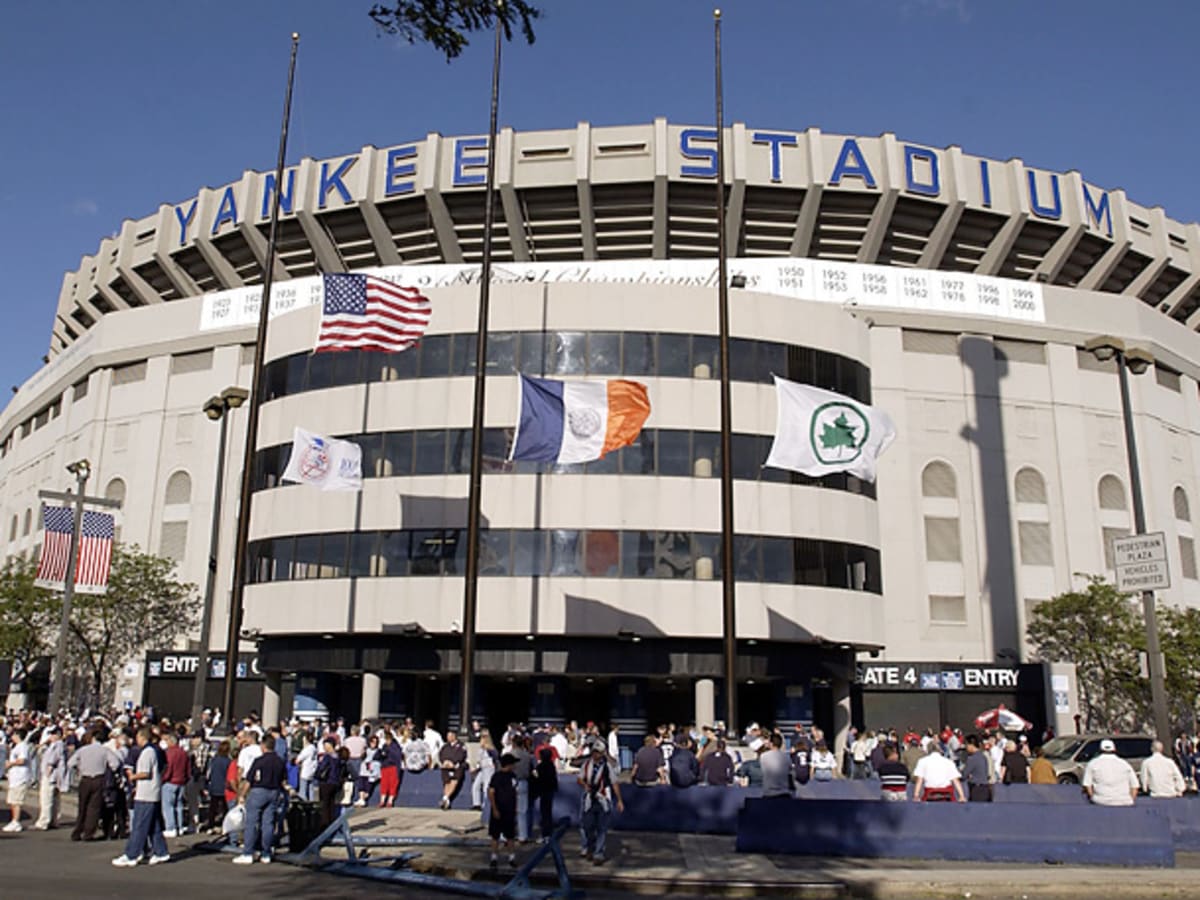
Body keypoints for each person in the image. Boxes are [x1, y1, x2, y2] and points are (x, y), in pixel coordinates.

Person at [112, 727, 170, 867]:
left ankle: (132, 854)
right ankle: (161, 851)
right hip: (153, 792)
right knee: (153, 825)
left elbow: (145, 773)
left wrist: (132, 777)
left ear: (142, 737)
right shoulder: (157, 751)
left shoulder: (147, 752)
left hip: (146, 794)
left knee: (139, 825)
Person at [234, 732, 288, 864]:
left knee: (252, 822)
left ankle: (248, 852)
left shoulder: (259, 761)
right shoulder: (280, 762)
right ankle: (266, 853)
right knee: (268, 824)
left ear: (263, 746)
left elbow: (249, 780)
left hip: (259, 790)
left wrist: (241, 795)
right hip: (274, 791)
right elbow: (284, 781)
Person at [68, 728, 123, 841]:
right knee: (94, 807)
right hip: (99, 778)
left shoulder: (83, 750)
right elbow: (115, 764)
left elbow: (70, 763)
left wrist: (79, 767)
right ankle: (89, 833)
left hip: (85, 778)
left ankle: (77, 831)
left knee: (82, 806)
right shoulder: (105, 750)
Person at [577, 740, 623, 865]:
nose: (595, 755)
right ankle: (588, 847)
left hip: (603, 798)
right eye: (594, 752)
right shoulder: (586, 764)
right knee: (587, 825)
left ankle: (599, 853)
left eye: (598, 753)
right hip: (589, 798)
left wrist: (619, 800)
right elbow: (580, 778)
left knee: (602, 827)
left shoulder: (607, 767)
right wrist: (585, 785)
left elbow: (614, 783)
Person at [1082, 739, 1138, 806]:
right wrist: (1131, 800)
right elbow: (1135, 786)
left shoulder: (1093, 763)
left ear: (1100, 749)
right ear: (1114, 749)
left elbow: (1087, 785)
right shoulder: (1124, 764)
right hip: (1125, 801)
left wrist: (1093, 797)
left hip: (1100, 801)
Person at [488, 753, 519, 870]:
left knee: (510, 835)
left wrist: (515, 808)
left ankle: (511, 857)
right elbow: (491, 792)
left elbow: (515, 792)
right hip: (499, 808)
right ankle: (494, 857)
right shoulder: (497, 776)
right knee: (495, 835)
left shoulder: (513, 776)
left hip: (509, 809)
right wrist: (494, 808)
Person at [34, 726, 68, 830]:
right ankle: (53, 820)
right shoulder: (56, 744)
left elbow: (54, 758)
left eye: (53, 734)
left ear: (58, 735)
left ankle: (44, 821)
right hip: (55, 775)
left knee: (46, 798)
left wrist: (49, 767)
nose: (51, 736)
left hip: (51, 774)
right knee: (54, 799)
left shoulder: (57, 745)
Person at [160, 731, 190, 837]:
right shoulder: (183, 753)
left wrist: (163, 779)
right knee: (179, 805)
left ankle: (171, 827)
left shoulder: (169, 753)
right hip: (181, 781)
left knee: (168, 806)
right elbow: (188, 768)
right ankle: (180, 826)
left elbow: (169, 768)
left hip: (170, 782)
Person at [4, 727, 32, 832]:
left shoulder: (23, 746)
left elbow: (22, 760)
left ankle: (16, 822)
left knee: (16, 801)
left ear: (17, 735)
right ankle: (13, 820)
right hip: (14, 778)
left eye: (13, 735)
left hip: (20, 777)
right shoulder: (16, 746)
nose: (12, 737)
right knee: (12, 800)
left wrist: (11, 763)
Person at [315, 738, 345, 828]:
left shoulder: (327, 757)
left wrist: (318, 769)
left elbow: (321, 768)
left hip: (326, 782)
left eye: (325, 745)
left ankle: (324, 824)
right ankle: (332, 823)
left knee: (324, 804)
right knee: (332, 804)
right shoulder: (337, 757)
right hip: (335, 782)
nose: (324, 747)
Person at [206, 740, 233, 834]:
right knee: (225, 808)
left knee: (213, 808)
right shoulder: (228, 761)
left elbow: (209, 773)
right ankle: (225, 826)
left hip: (214, 785)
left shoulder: (214, 760)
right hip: (224, 787)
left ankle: (210, 825)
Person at [532, 746, 558, 841]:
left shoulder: (541, 766)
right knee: (548, 812)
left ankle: (545, 834)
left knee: (545, 813)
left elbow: (537, 777)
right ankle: (548, 833)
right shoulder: (551, 765)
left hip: (544, 791)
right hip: (550, 790)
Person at [438, 730, 468, 810]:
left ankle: (445, 798)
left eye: (450, 736)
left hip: (457, 767)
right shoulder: (445, 746)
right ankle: (446, 800)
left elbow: (462, 755)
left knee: (454, 781)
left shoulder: (461, 746)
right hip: (446, 766)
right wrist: (445, 762)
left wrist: (453, 763)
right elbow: (441, 755)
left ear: (454, 736)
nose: (448, 737)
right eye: (447, 736)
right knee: (446, 782)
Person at [961, 735, 993, 802]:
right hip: (986, 788)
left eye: (966, 745)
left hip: (976, 789)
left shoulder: (972, 759)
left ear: (971, 745)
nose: (966, 747)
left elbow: (963, 775)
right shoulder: (983, 756)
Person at [471, 732, 498, 811]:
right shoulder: (480, 749)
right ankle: (476, 804)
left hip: (489, 768)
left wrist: (488, 749)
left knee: (486, 786)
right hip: (482, 768)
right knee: (475, 785)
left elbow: (495, 757)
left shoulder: (490, 749)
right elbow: (479, 760)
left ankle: (486, 804)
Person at [760, 733, 792, 798]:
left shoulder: (763, 756)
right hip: (784, 792)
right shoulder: (786, 757)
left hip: (768, 793)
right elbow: (790, 770)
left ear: (771, 744)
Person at [378, 730, 404, 807]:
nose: (386, 741)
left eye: (387, 739)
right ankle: (382, 800)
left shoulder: (395, 747)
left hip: (393, 767)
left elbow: (397, 758)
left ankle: (390, 801)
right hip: (385, 767)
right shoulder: (384, 746)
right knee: (384, 784)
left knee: (393, 784)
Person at [296, 732, 318, 802]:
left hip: (305, 771)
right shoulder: (314, 748)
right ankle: (312, 803)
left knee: (303, 790)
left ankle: (303, 804)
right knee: (310, 790)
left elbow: (298, 759)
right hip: (312, 770)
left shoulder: (307, 749)